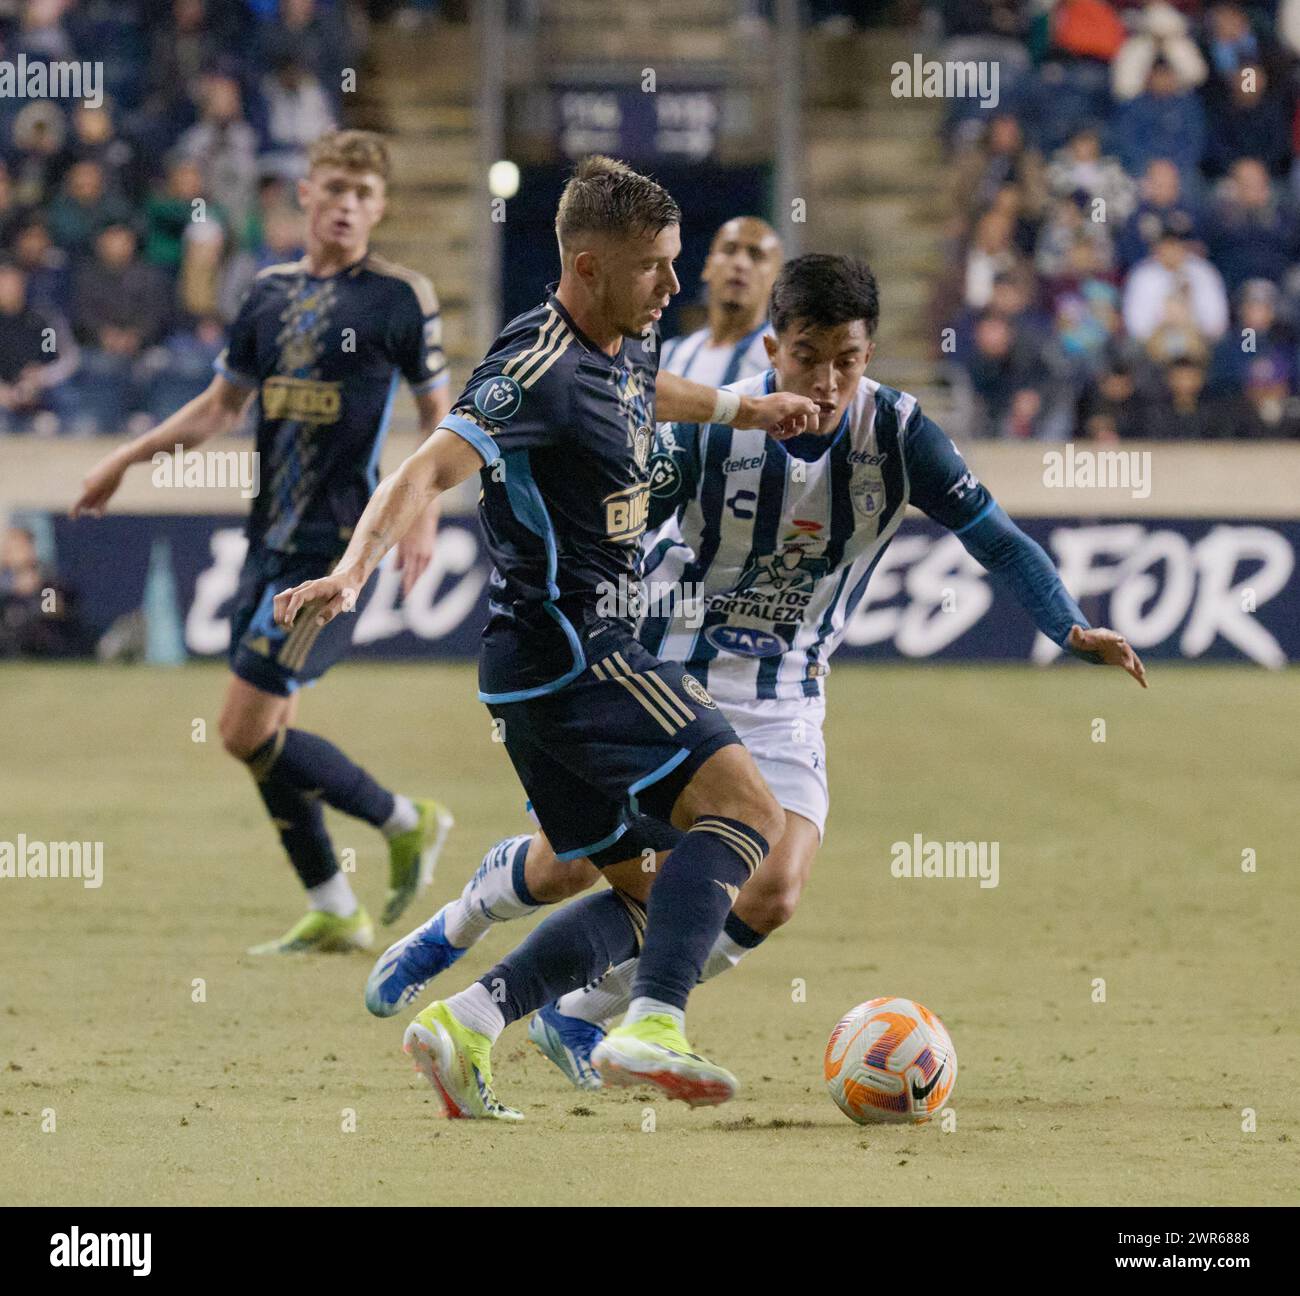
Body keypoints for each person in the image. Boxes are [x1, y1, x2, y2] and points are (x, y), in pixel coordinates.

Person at [362, 253, 1148, 1101]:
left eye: (849, 359)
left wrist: (1068, 624)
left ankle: (582, 1012)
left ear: (870, 354)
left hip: (785, 693)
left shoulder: (901, 434)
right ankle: (462, 927)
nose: (829, 379)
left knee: (769, 888)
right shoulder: (715, 426)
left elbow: (995, 535)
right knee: (575, 871)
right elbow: (615, 528)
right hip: (666, 671)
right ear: (773, 347)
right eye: (808, 356)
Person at [273, 155, 818, 1116]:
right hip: (580, 652)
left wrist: (750, 408)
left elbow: (655, 392)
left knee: (658, 892)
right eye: (654, 264)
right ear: (585, 264)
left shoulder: (630, 334)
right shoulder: (535, 366)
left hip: (537, 676)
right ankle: (651, 1026)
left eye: (675, 260)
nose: (673, 283)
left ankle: (467, 1023)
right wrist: (352, 572)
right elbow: (423, 473)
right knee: (753, 820)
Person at [70, 130, 454, 952]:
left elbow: (439, 419)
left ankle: (404, 819)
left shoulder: (399, 296)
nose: (349, 205)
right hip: (264, 539)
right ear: (305, 195)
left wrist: (422, 513)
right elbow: (217, 407)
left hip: (337, 549)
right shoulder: (267, 294)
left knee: (242, 729)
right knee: (263, 740)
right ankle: (334, 905)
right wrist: (126, 459)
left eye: (364, 194)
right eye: (336, 188)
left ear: (379, 208)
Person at [659, 216, 782, 385]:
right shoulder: (671, 355)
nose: (741, 263)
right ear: (708, 267)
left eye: (756, 255)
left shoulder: (784, 358)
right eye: (729, 250)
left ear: (776, 280)